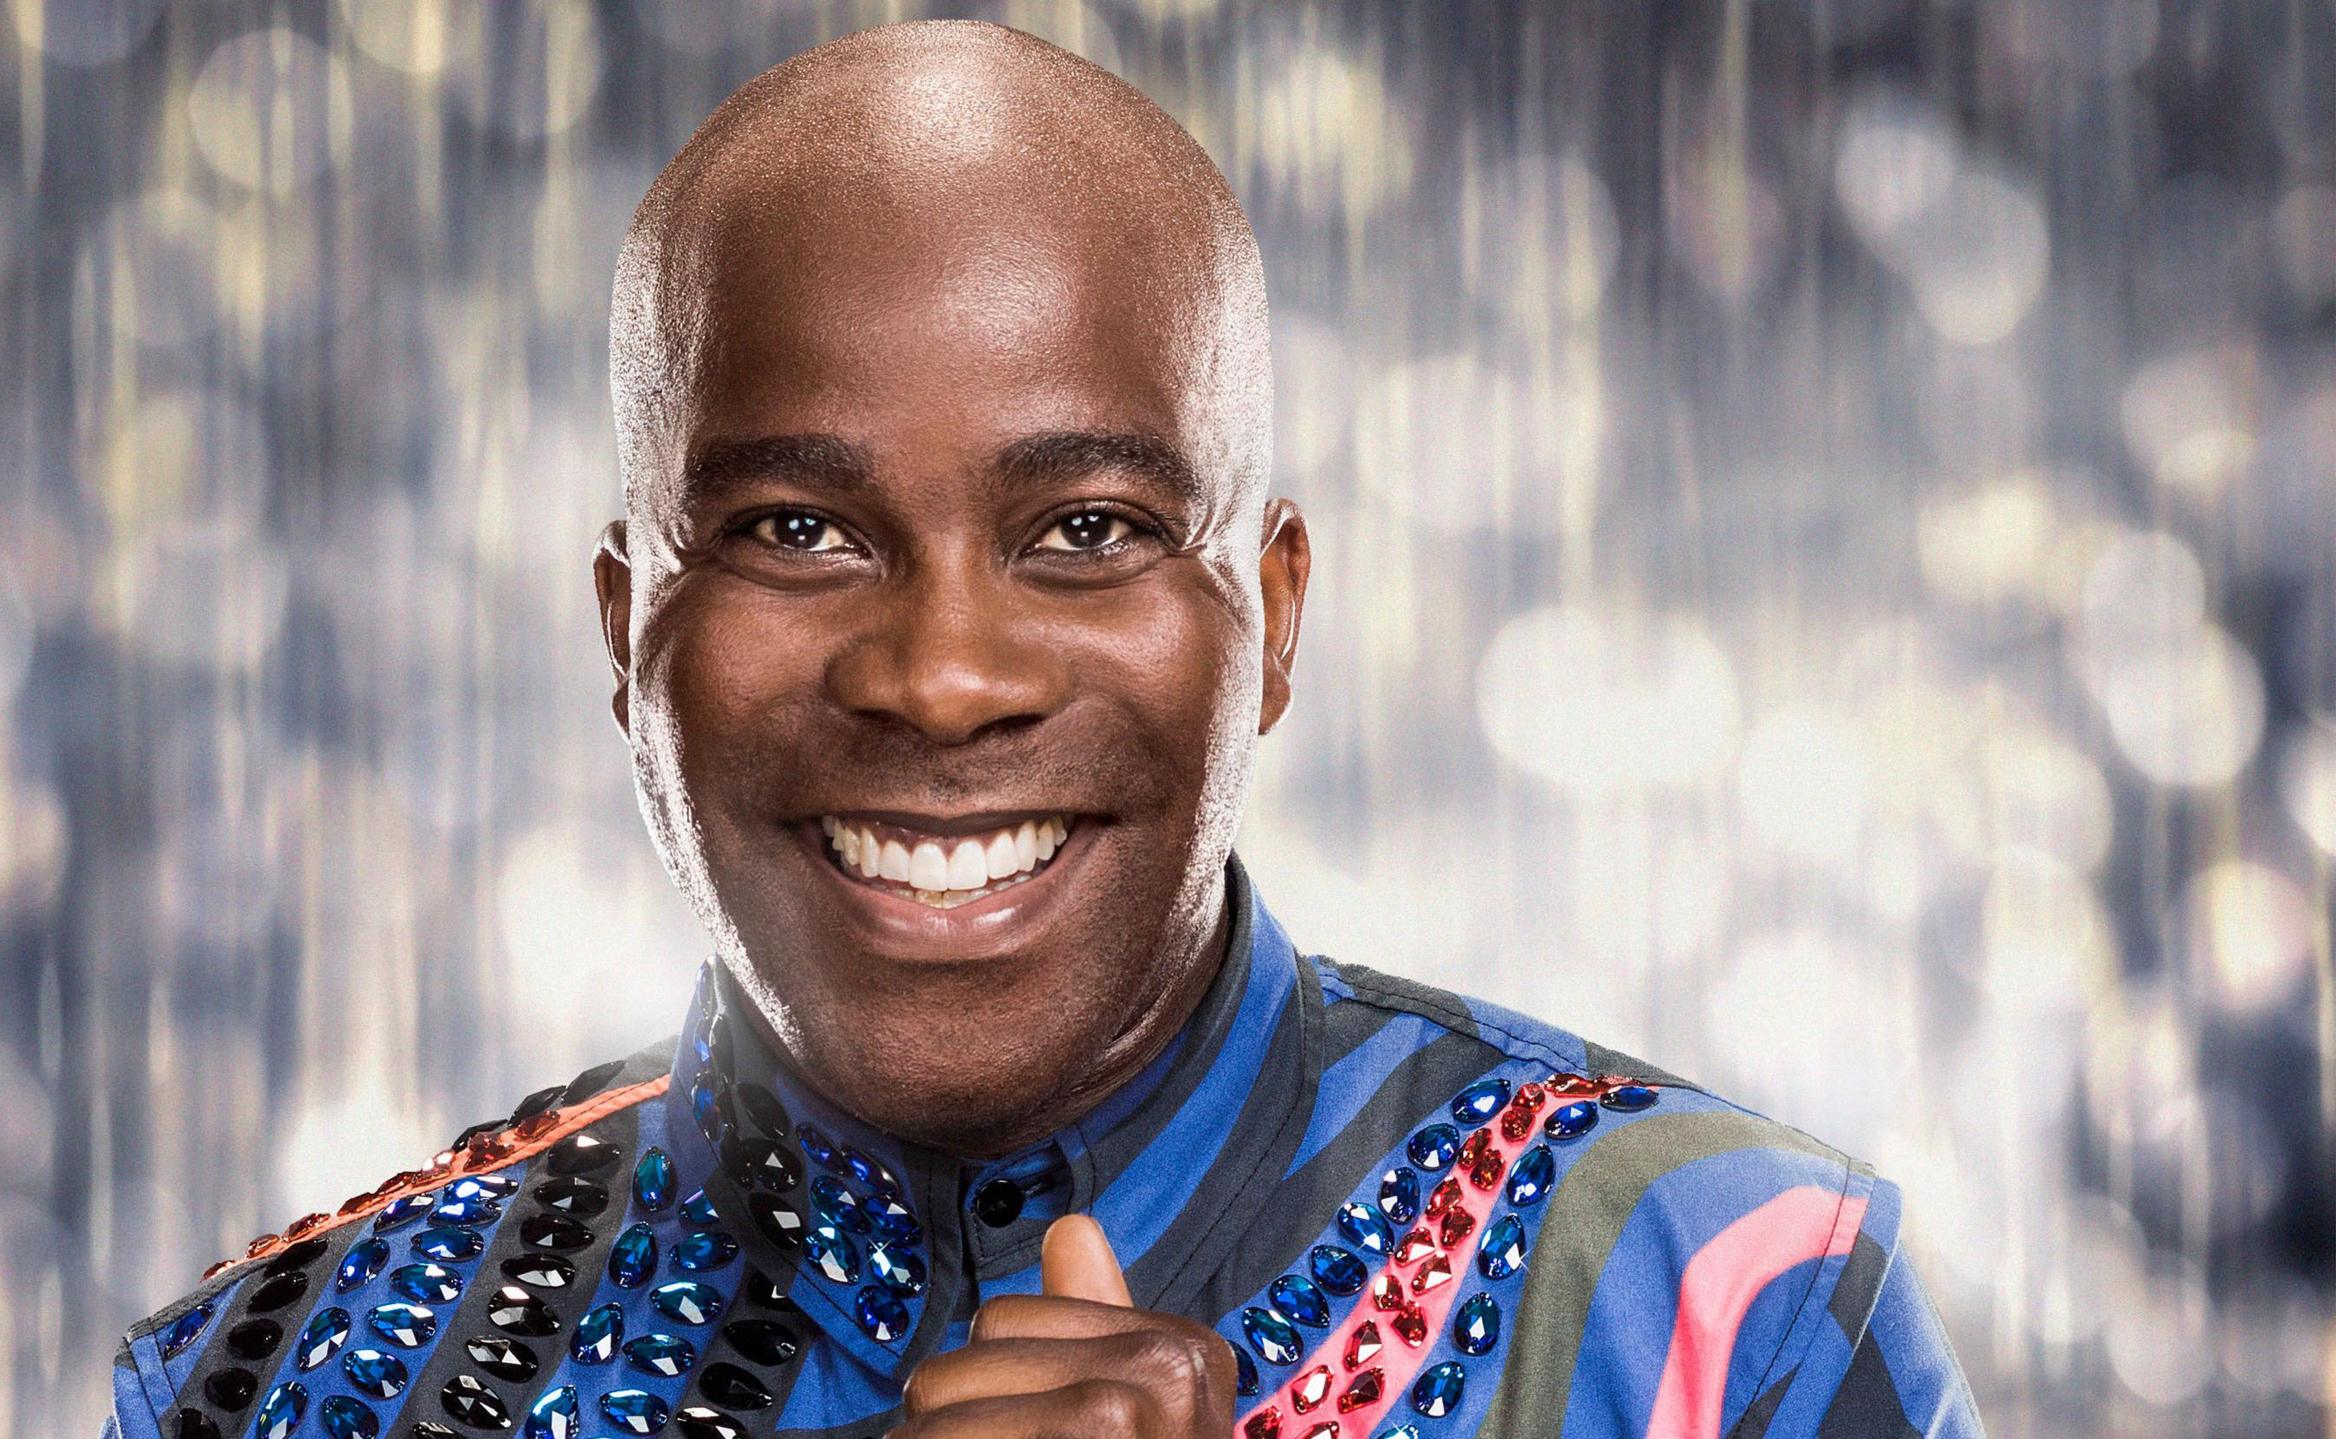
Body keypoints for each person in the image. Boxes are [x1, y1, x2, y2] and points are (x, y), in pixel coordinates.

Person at [104, 21, 1982, 1439]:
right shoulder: (266, 1383)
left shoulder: (1728, 1297)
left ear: (1273, 623)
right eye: (798, 530)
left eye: (1088, 531)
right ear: (627, 632)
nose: (941, 675)